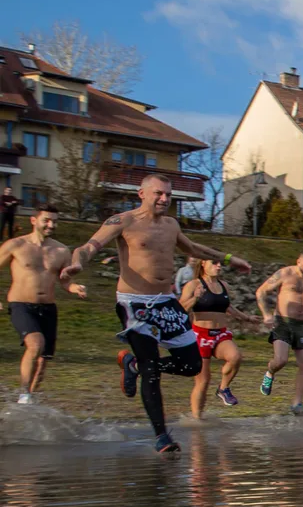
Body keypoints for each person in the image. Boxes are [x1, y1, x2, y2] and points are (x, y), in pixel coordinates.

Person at [60, 174, 252, 456]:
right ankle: (162, 435)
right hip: (134, 304)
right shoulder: (123, 221)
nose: (164, 199)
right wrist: (77, 264)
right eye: (158, 194)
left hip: (165, 302)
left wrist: (228, 259)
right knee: (152, 369)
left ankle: (132, 366)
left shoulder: (171, 224)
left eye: (168, 195)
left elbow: (194, 249)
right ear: (142, 193)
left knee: (191, 366)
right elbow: (89, 247)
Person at [0, 205, 86, 404]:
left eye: (54, 221)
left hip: (48, 308)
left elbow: (65, 281)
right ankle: (23, 393)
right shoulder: (16, 245)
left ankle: (27, 402)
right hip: (21, 304)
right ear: (33, 220)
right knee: (35, 344)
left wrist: (76, 288)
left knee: (42, 365)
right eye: (46, 220)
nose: (51, 225)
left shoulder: (61, 250)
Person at [254, 251, 303, 415]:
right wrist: (267, 314)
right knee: (280, 360)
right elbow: (261, 292)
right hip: (283, 322)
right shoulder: (285, 273)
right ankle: (270, 372)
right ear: (299, 262)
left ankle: (297, 404)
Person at [180, 257, 258, 418]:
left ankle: (223, 388)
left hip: (220, 333)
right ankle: (197, 419)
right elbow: (180, 308)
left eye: (220, 263)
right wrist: (195, 298)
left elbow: (227, 306)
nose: (218, 266)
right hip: (200, 335)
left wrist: (246, 318)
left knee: (235, 357)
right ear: (203, 264)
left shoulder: (224, 286)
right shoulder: (193, 285)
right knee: (203, 381)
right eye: (214, 263)